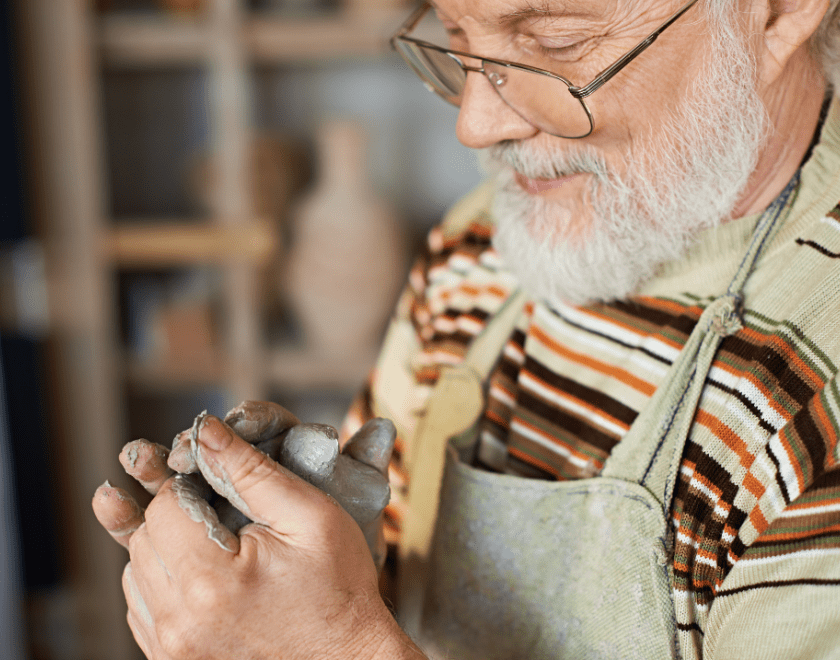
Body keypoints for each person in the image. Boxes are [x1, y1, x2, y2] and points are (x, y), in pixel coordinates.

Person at [92, 0, 840, 656]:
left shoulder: (818, 397)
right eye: (458, 37)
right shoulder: (483, 244)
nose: (476, 125)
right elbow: (391, 591)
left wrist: (331, 650)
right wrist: (330, 566)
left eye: (554, 42)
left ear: (779, 11)